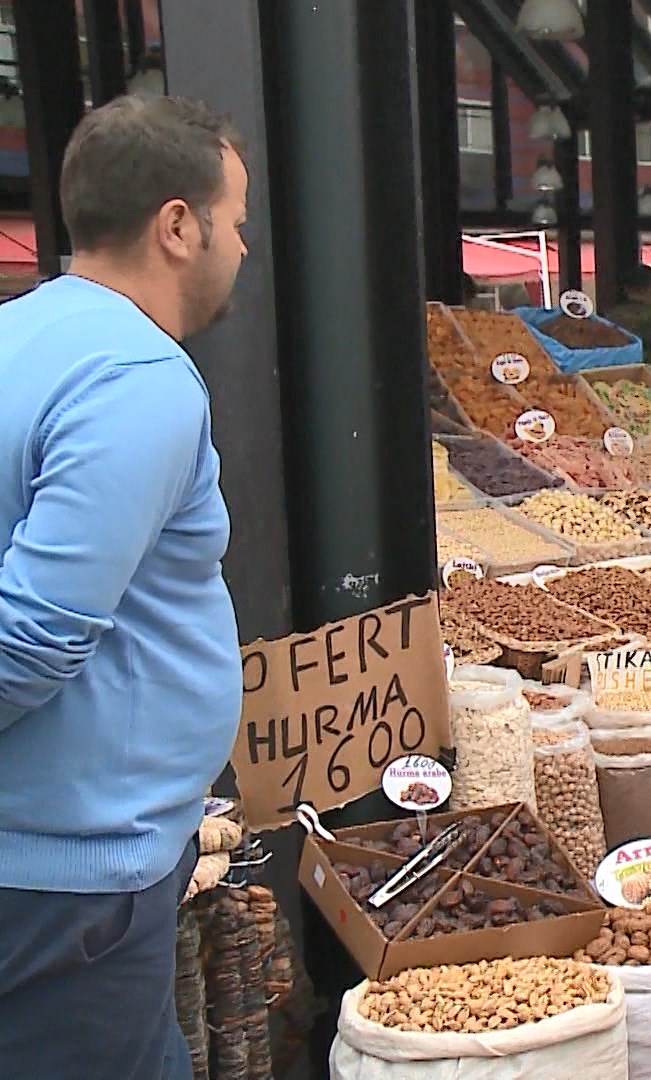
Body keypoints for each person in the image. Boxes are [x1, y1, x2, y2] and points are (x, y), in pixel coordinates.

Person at [0, 94, 251, 1078]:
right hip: (74, 881)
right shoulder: (136, 377)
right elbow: (30, 634)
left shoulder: (17, 340)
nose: (241, 248)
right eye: (235, 223)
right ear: (177, 227)